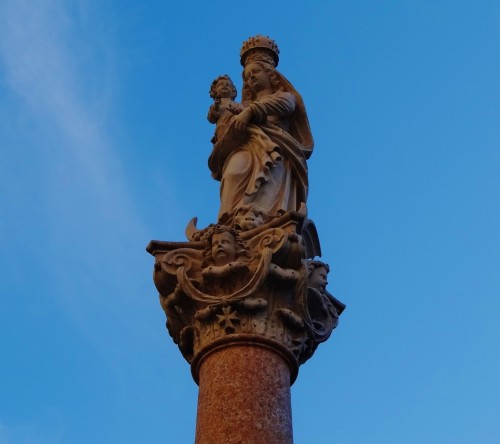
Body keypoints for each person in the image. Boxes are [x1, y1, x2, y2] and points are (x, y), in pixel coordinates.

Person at [208, 35, 314, 220]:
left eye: (255, 72)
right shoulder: (242, 106)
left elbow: (285, 105)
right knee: (232, 173)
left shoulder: (284, 96)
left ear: (269, 73)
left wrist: (251, 112)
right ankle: (228, 222)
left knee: (266, 190)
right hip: (245, 147)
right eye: (247, 76)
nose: (251, 78)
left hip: (274, 151)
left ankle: (262, 223)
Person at [207, 75, 243, 144]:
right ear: (214, 90)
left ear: (233, 91)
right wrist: (216, 107)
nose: (224, 85)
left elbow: (244, 111)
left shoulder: (237, 104)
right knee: (222, 130)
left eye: (227, 85)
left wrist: (239, 110)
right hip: (223, 130)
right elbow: (211, 119)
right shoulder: (216, 105)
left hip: (237, 128)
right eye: (220, 84)